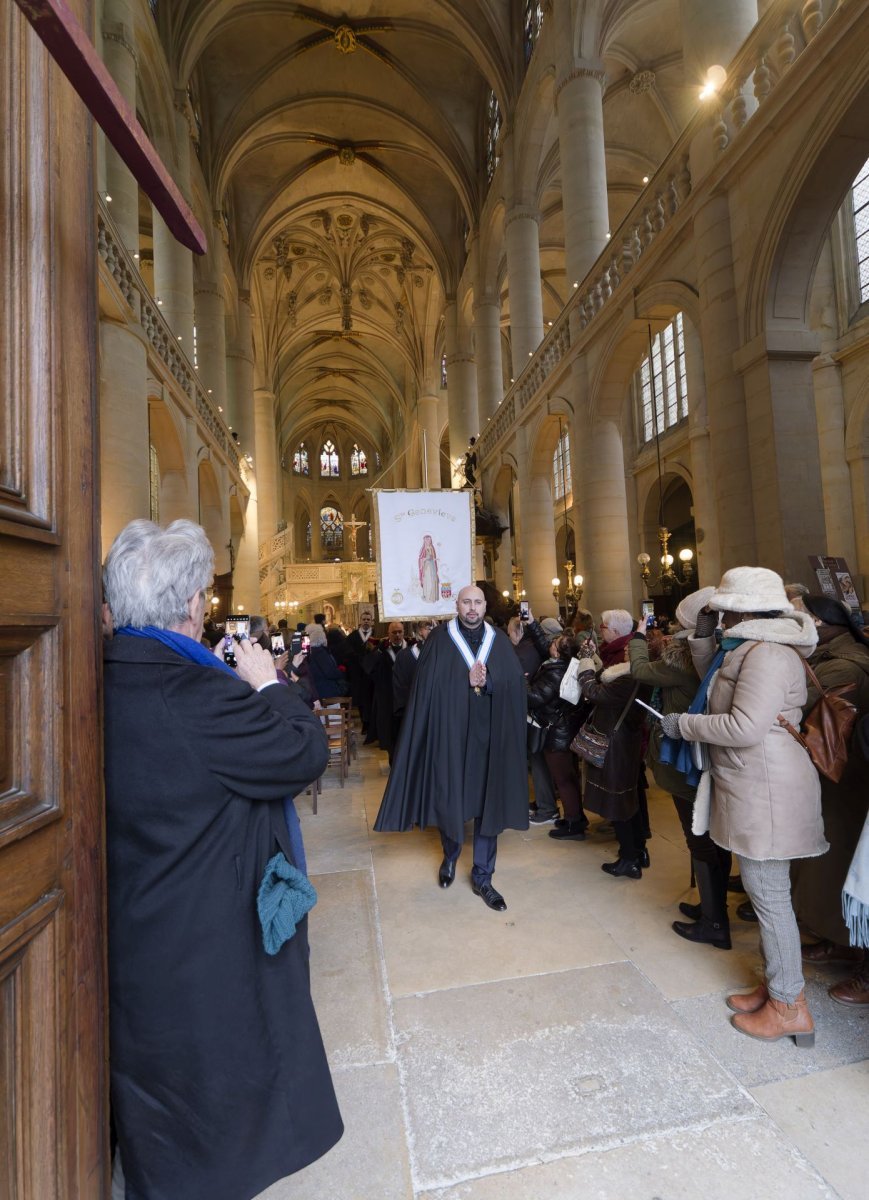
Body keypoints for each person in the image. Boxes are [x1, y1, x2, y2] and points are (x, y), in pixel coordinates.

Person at [102, 519, 341, 1200]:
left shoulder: (108, 673)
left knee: (164, 1097)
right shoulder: (191, 691)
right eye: (205, 595)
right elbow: (301, 752)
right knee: (212, 1100)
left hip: (142, 912)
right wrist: (267, 684)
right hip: (199, 931)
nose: (207, 606)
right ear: (188, 606)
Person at [662, 567, 826, 1047]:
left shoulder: (767, 655)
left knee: (770, 899)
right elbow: (714, 679)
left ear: (743, 610)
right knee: (764, 895)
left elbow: (744, 727)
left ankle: (789, 1005)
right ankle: (777, 986)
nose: (718, 612)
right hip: (755, 782)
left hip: (767, 788)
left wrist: (684, 725)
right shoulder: (751, 649)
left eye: (723, 607)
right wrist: (701, 636)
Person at [374, 585, 529, 911]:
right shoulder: (440, 640)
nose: (472, 608)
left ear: (485, 605)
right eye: (466, 602)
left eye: (477, 602)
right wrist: (464, 682)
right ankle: (451, 854)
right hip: (452, 737)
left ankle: (484, 877)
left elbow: (515, 685)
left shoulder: (498, 640)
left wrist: (488, 682)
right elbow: (427, 690)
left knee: (490, 806)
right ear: (457, 604)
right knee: (450, 799)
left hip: (489, 740)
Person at [628, 587, 733, 948]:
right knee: (712, 835)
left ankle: (714, 923)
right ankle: (713, 907)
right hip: (711, 755)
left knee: (698, 838)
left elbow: (640, 669)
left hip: (688, 758)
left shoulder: (683, 659)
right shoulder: (720, 652)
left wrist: (639, 635)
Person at [790, 595, 869, 998]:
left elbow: (795, 703)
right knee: (828, 862)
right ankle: (839, 937)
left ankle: (856, 950)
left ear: (819, 622)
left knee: (841, 862)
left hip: (845, 776)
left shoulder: (847, 662)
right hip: (831, 773)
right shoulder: (827, 653)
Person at [576, 609, 651, 878]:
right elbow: (608, 678)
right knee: (627, 798)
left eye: (603, 626)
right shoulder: (629, 669)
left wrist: (585, 665)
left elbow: (595, 692)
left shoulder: (629, 675)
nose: (600, 628)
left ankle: (629, 857)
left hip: (617, 742)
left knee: (618, 800)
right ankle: (636, 851)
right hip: (625, 738)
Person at [525, 628, 587, 840]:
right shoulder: (568, 666)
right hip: (564, 729)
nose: (550, 644)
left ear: (557, 653)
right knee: (567, 777)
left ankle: (574, 824)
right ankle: (575, 817)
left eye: (554, 643)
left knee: (564, 780)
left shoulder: (554, 672)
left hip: (557, 733)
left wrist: (523, 681)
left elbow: (533, 698)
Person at [508, 614, 558, 824]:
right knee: (537, 760)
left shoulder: (520, 653)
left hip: (530, 714)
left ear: (517, 632)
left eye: (509, 632)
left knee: (535, 760)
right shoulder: (534, 648)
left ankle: (546, 807)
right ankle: (543, 803)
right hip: (538, 715)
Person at [367, 620, 408, 761]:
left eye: (400, 632)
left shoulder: (411, 650)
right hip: (388, 699)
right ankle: (393, 759)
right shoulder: (382, 651)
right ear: (388, 634)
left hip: (406, 700)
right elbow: (369, 669)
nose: (397, 635)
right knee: (390, 732)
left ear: (404, 633)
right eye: (394, 632)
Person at [392, 618, 433, 742]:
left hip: (436, 714)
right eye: (429, 627)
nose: (433, 630)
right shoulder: (404, 656)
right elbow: (398, 686)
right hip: (412, 714)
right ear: (420, 631)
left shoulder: (443, 655)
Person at [345, 607, 377, 731]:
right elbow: (347, 654)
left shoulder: (376, 635)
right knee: (362, 701)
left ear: (372, 621)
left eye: (368, 619)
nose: (366, 621)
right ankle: (365, 723)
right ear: (360, 621)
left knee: (373, 699)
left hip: (373, 675)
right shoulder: (352, 636)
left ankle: (373, 724)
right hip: (359, 674)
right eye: (364, 619)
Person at [305, 621, 346, 699]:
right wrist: (341, 672)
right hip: (327, 691)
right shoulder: (320, 652)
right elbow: (330, 672)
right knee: (333, 711)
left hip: (317, 690)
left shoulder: (310, 651)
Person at [418, 534, 439, 603]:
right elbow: (421, 557)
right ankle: (426, 596)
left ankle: (431, 597)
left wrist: (425, 559)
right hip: (426, 566)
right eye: (426, 540)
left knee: (430, 580)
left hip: (430, 566)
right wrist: (422, 560)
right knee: (427, 580)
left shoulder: (431, 547)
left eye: (428, 540)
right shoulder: (423, 548)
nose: (427, 541)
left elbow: (431, 557)